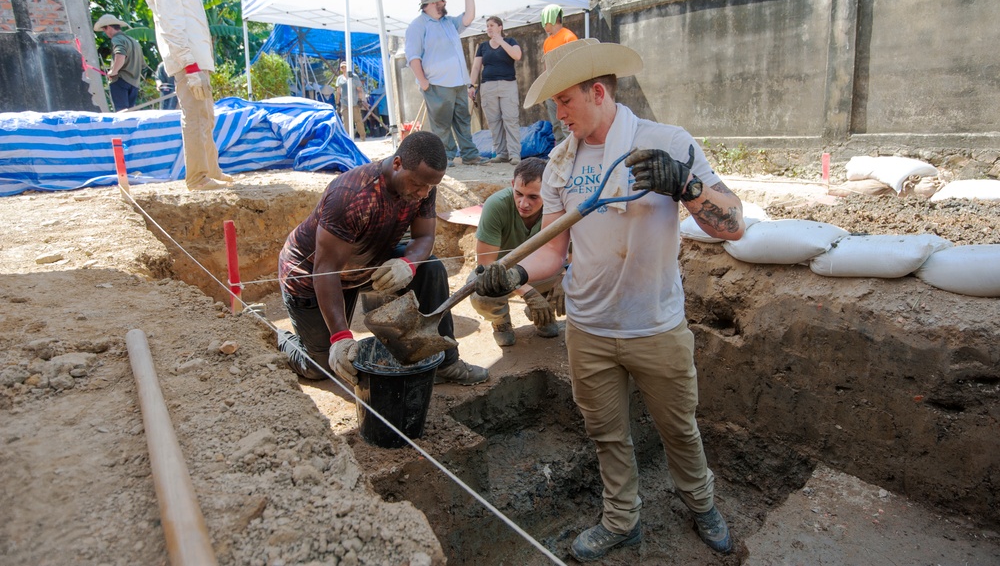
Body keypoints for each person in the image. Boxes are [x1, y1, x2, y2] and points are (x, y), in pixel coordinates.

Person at [473, 40, 746, 561]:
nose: (558, 115)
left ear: (598, 92)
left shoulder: (666, 143)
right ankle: (622, 521)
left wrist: (685, 185)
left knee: (679, 428)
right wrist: (509, 276)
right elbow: (554, 252)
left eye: (565, 102)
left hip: (656, 327)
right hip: (589, 329)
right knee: (607, 435)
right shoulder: (558, 162)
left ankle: (702, 503)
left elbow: (733, 225)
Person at [276, 130, 489, 387]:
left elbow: (423, 238)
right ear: (397, 163)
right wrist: (341, 337)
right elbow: (326, 269)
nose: (423, 193)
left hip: (365, 264)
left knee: (430, 268)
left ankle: (445, 363)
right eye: (418, 185)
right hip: (310, 277)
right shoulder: (351, 195)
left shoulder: (424, 186)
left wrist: (407, 264)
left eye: (430, 186)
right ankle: (279, 338)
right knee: (320, 368)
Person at [144, 0, 231, 191]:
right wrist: (190, 66)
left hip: (196, 59)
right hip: (187, 61)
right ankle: (197, 177)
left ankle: (211, 169)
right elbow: (172, 25)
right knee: (193, 116)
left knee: (206, 116)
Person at [470, 157, 564, 347]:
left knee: (576, 285)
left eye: (533, 197)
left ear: (549, 192)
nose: (523, 203)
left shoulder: (558, 207)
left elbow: (570, 255)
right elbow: (486, 264)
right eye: (518, 193)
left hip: (541, 272)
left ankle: (544, 312)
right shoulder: (496, 205)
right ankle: (501, 321)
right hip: (501, 276)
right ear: (512, 184)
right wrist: (528, 293)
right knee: (482, 293)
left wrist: (565, 278)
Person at [405, 0, 483, 168]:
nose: (444, 1)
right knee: (441, 124)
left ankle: (470, 154)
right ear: (431, 3)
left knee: (463, 119)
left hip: (458, 82)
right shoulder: (417, 26)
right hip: (437, 83)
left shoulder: (448, 22)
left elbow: (469, 17)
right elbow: (413, 56)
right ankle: (444, 158)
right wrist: (424, 82)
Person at [469, 16, 523, 165]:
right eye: (487, 26)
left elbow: (517, 55)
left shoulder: (511, 42)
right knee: (494, 121)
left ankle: (514, 154)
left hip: (508, 85)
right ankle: (501, 153)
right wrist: (471, 85)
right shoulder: (483, 46)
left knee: (510, 119)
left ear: (500, 27)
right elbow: (476, 67)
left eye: (492, 25)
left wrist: (500, 41)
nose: (489, 28)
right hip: (488, 86)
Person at [539, 4, 578, 145]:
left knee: (567, 123)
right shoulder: (547, 42)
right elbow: (546, 65)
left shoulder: (569, 37)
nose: (542, 24)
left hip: (566, 85)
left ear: (552, 19)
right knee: (556, 123)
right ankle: (561, 153)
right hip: (552, 86)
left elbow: (575, 62)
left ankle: (572, 151)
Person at [93, 14, 144, 112]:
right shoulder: (134, 41)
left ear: (108, 27)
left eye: (104, 30)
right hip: (134, 83)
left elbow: (120, 55)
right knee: (131, 113)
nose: (105, 33)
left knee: (122, 113)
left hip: (121, 80)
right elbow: (142, 64)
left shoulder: (117, 39)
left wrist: (113, 71)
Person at [336, 61, 366, 141]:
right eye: (342, 67)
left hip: (354, 102)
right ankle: (347, 139)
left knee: (358, 121)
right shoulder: (339, 79)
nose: (343, 69)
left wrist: (360, 100)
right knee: (345, 122)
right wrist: (337, 103)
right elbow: (338, 91)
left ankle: (362, 137)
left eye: (345, 67)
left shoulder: (354, 77)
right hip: (344, 103)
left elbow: (359, 89)